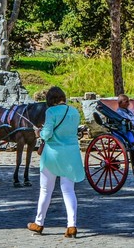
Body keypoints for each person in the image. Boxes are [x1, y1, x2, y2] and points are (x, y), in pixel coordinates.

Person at [27, 87, 84, 238]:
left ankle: (39, 223)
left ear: (50, 100)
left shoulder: (50, 112)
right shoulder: (74, 112)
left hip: (52, 155)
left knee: (45, 190)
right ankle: (72, 225)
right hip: (71, 155)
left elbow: (47, 134)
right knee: (69, 191)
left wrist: (39, 132)